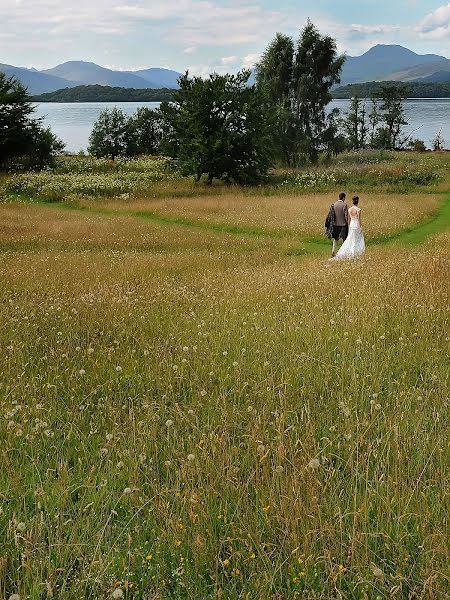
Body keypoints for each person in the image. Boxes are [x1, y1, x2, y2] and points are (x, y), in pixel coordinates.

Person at [332, 196, 365, 260]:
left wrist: (349, 226)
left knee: (351, 239)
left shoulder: (349, 209)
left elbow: (349, 219)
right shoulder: (358, 210)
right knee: (357, 239)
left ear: (352, 202)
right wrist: (361, 227)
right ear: (357, 202)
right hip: (356, 225)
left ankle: (349, 251)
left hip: (352, 225)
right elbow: (359, 219)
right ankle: (355, 252)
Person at [325, 192, 349, 257]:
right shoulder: (345, 205)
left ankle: (333, 251)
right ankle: (344, 253)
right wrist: (349, 223)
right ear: (343, 197)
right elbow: (346, 215)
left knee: (335, 239)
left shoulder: (334, 204)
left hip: (335, 225)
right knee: (344, 239)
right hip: (343, 225)